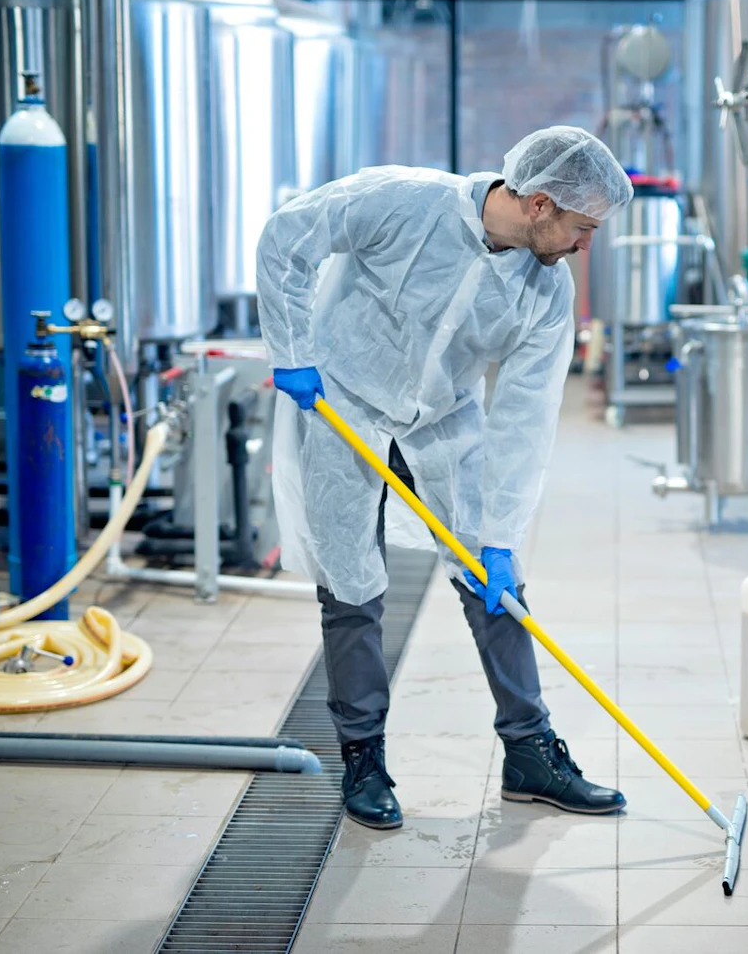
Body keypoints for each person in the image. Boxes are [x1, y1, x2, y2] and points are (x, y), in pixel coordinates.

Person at [257, 127, 633, 830]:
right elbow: (289, 237)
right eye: (583, 228)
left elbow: (525, 417)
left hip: (442, 419)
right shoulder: (403, 201)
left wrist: (502, 533)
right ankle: (363, 757)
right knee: (351, 585)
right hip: (344, 400)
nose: (586, 245)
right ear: (541, 204)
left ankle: (530, 754)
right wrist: (292, 351)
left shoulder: (547, 291)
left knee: (495, 582)